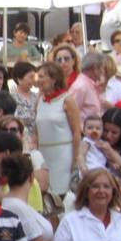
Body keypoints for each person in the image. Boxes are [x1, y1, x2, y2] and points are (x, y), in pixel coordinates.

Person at [34, 61, 82, 196]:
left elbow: (76, 132)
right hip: (44, 153)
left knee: (61, 193)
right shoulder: (39, 100)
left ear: (54, 79)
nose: (39, 80)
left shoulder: (67, 100)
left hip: (63, 155)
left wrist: (75, 159)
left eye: (43, 76)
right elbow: (37, 130)